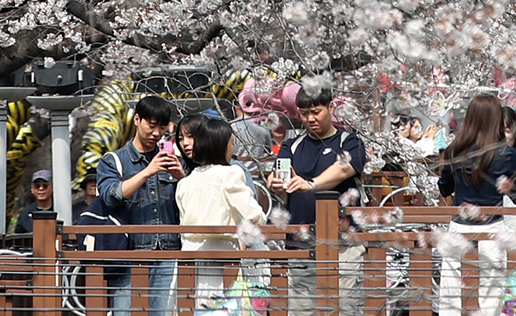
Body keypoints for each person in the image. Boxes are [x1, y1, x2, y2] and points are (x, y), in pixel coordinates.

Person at [269, 79, 367, 316]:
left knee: (344, 309)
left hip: (343, 245)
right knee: (302, 311)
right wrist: (275, 185)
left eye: (316, 112)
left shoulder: (349, 142)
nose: (310, 118)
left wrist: (311, 185)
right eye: (304, 113)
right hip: (300, 245)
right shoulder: (291, 146)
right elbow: (282, 180)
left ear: (331, 108)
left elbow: (343, 169)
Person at [436, 95, 516, 316]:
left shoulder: (453, 151)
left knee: (450, 288)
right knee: (491, 290)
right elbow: (515, 190)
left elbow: (444, 186)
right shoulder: (508, 154)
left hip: (459, 224)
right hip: (493, 225)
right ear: (496, 119)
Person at [97, 94, 184, 316]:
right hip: (128, 254)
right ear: (137, 120)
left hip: (168, 252)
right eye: (151, 125)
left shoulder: (173, 159)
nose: (156, 133)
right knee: (124, 313)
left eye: (162, 127)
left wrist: (183, 178)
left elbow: (190, 202)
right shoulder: (113, 160)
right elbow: (110, 196)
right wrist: (147, 171)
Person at [175, 117, 267, 309]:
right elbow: (254, 214)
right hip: (223, 253)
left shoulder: (184, 183)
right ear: (222, 146)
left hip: (191, 255)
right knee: (227, 307)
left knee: (198, 307)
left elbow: (184, 224)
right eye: (232, 143)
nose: (233, 148)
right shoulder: (230, 174)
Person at [12, 169, 55, 237]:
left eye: (45, 186)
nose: (41, 189)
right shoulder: (25, 214)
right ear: (32, 189)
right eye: (37, 186)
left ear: (52, 188)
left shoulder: (60, 211)